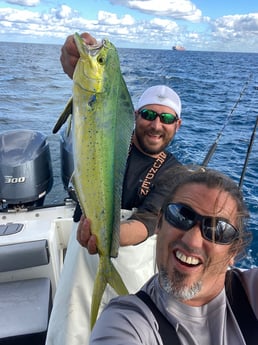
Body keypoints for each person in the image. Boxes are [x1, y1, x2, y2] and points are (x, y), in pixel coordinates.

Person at [46, 33, 183, 345]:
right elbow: (86, 87)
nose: (156, 124)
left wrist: (108, 236)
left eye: (166, 118)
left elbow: (148, 222)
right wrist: (74, 62)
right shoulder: (108, 130)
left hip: (130, 264)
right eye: (148, 114)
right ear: (134, 115)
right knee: (69, 335)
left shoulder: (174, 172)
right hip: (82, 259)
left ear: (177, 125)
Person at [89, 166, 257, 345]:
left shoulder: (251, 292)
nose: (192, 240)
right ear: (159, 223)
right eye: (181, 216)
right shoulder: (124, 322)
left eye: (217, 230)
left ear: (234, 251)